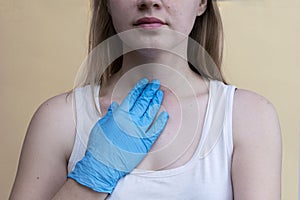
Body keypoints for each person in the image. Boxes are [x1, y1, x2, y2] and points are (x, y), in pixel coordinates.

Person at [9, 0, 282, 199]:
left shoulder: (247, 118)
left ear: (201, 3)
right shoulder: (60, 119)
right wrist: (90, 180)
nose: (149, 2)